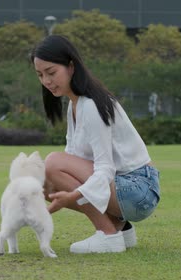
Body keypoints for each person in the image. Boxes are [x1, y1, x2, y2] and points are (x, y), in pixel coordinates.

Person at [30, 35, 161, 254]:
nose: (46, 81)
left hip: (139, 190)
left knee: (52, 163)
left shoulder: (90, 105)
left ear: (71, 67)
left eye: (51, 72)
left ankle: (108, 235)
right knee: (45, 176)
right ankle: (121, 228)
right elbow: (72, 160)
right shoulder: (75, 106)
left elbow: (105, 168)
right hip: (128, 190)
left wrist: (74, 194)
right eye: (40, 75)